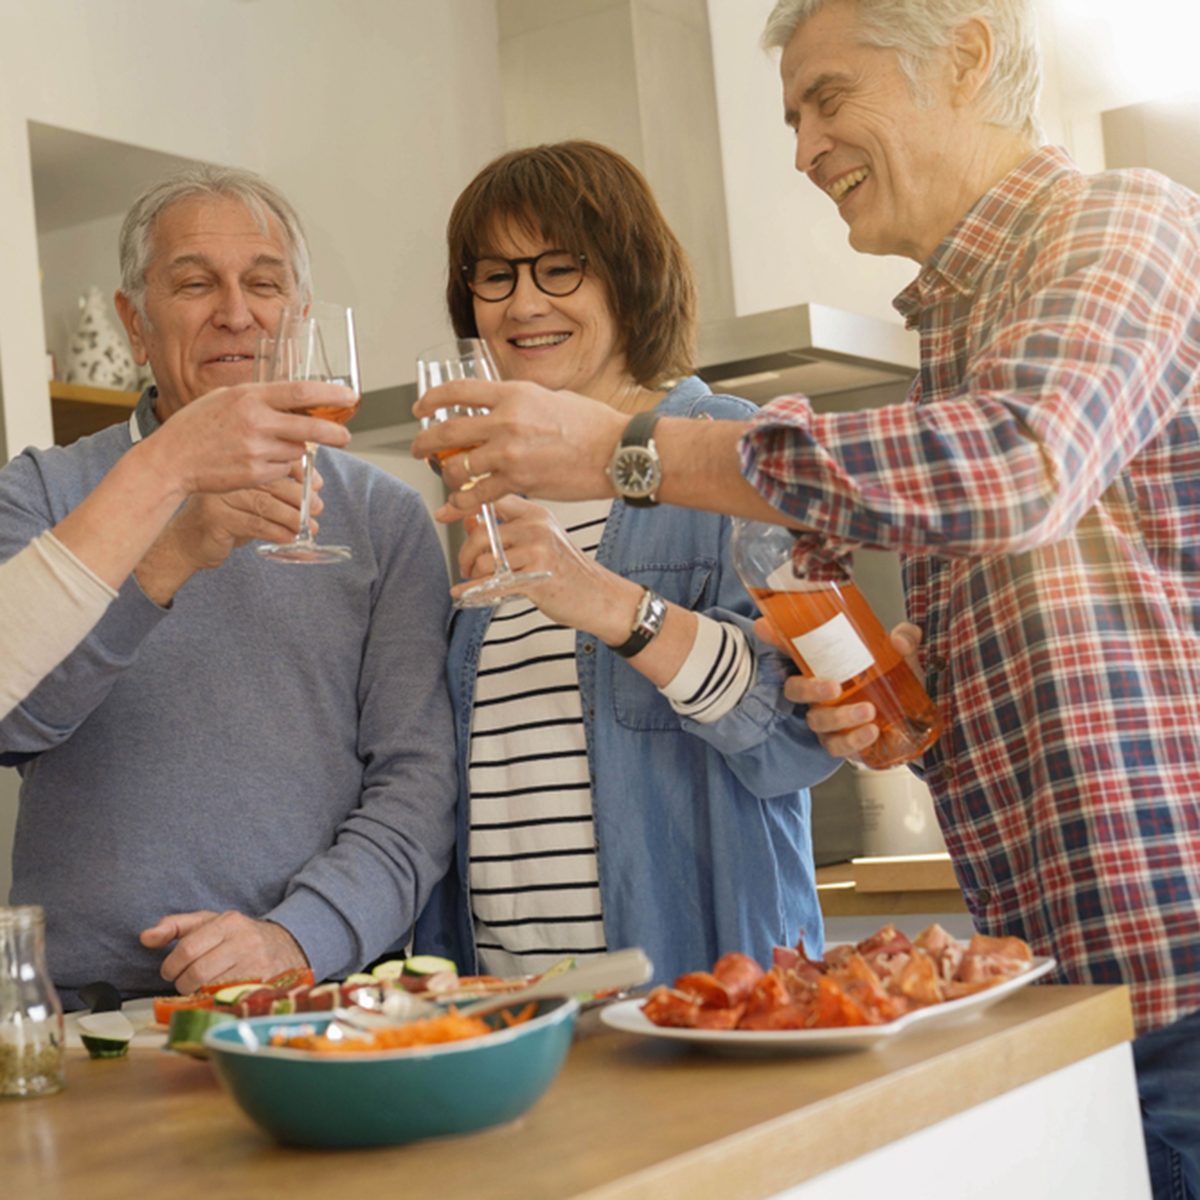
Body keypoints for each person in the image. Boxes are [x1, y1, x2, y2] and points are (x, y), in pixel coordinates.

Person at [411, 4, 1200, 1194]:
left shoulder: (1126, 221)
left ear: (971, 56)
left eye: (828, 98)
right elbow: (1014, 638)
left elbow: (1019, 464)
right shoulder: (954, 332)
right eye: (792, 114)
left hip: (1174, 966)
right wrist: (903, 709)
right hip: (1058, 975)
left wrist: (626, 456)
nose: (801, 147)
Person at [0, 165, 457, 1009]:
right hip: (87, 1015)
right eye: (194, 283)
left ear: (301, 318)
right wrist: (174, 552)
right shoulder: (40, 493)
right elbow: (12, 723)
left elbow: (419, 785)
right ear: (134, 323)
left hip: (317, 1004)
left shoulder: (387, 520)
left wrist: (295, 937)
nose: (236, 312)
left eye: (264, 283)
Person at [412, 141, 837, 984]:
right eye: (494, 274)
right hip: (518, 1013)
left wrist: (607, 603)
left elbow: (801, 736)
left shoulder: (725, 448)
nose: (523, 301)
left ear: (630, 278)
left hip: (700, 996)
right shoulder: (481, 495)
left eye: (560, 268)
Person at [0, 383, 351, 721]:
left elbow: (407, 759)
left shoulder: (380, 506)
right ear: (135, 331)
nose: (235, 319)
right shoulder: (36, 487)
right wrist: (174, 547)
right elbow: (13, 731)